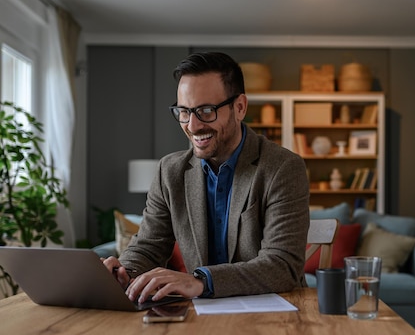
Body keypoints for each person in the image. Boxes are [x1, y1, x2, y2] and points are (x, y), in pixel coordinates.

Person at [103, 52, 310, 304]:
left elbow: (282, 266)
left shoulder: (283, 168)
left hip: (273, 311)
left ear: (240, 107)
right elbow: (149, 247)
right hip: (200, 313)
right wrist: (124, 273)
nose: (193, 125)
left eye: (206, 110)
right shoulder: (170, 171)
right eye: (184, 111)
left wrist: (201, 281)